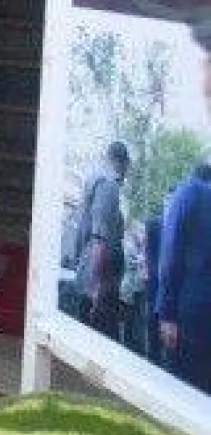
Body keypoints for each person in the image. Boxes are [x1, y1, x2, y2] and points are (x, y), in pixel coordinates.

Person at [156, 159, 211, 391]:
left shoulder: (190, 192)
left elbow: (170, 254)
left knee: (181, 391)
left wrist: (167, 314)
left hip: (190, 315)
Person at [73, 140, 129, 339]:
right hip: (99, 285)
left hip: (94, 279)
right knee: (100, 345)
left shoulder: (95, 180)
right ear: (123, 164)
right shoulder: (108, 185)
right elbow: (100, 240)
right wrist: (96, 287)